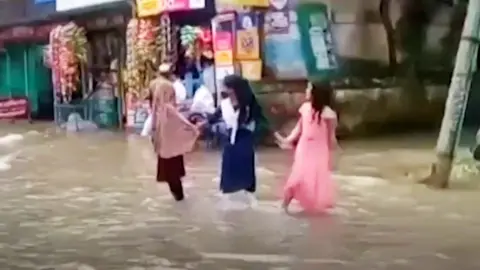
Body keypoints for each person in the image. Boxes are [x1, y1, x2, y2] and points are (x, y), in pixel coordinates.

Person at [275, 82, 338, 213]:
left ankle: (312, 209)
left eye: (309, 88)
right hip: (304, 148)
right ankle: (284, 206)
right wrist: (287, 140)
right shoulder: (305, 108)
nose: (306, 91)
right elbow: (299, 128)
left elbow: (331, 137)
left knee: (314, 181)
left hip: (320, 150)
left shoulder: (329, 114)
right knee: (296, 177)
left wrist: (335, 154)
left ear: (316, 93)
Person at [208, 74, 262, 209]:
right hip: (229, 139)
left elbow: (259, 119)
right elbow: (213, 118)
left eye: (226, 86)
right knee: (228, 165)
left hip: (244, 137)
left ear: (233, 88)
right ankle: (226, 194)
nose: (224, 89)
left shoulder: (249, 103)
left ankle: (250, 194)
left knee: (246, 166)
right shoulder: (224, 104)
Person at [149, 63, 200, 201]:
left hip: (162, 127)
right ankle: (179, 198)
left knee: (168, 165)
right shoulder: (167, 86)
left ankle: (178, 198)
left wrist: (153, 128)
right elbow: (169, 107)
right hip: (169, 127)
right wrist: (189, 125)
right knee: (173, 165)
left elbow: (154, 107)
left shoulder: (154, 84)